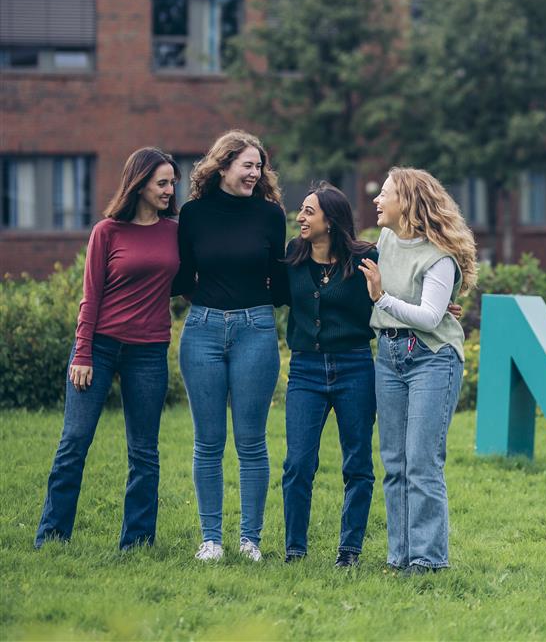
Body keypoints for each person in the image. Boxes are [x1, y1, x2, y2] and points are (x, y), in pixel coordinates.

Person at [35, 148, 181, 550]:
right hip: (99, 347)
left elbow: (190, 283)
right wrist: (82, 353)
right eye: (162, 183)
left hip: (149, 351)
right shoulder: (107, 231)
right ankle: (52, 535)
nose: (169, 190)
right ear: (140, 184)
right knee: (74, 441)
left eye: (172, 183)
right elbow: (91, 297)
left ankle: (138, 541)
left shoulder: (174, 232)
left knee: (144, 451)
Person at [174, 130, 287, 562]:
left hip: (256, 330)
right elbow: (183, 276)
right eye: (247, 165)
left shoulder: (270, 215)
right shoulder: (193, 214)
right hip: (201, 330)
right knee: (207, 441)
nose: (255, 173)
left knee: (251, 441)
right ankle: (211, 540)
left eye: (259, 166)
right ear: (223, 166)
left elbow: (280, 280)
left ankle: (250, 540)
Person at [360, 167, 477, 575]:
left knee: (422, 463)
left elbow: (428, 318)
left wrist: (382, 298)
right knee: (394, 463)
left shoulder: (439, 256)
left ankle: (428, 560)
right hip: (389, 355)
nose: (376, 199)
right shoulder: (387, 239)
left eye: (385, 193)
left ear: (406, 202)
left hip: (432, 358)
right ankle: (400, 557)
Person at [280, 183, 379, 568]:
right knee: (298, 463)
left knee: (358, 464)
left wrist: (441, 303)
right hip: (305, 369)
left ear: (331, 221)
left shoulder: (366, 257)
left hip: (355, 366)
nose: (301, 217)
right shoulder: (293, 254)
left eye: (309, 211)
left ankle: (349, 550)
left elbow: (403, 285)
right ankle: (295, 550)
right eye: (302, 210)